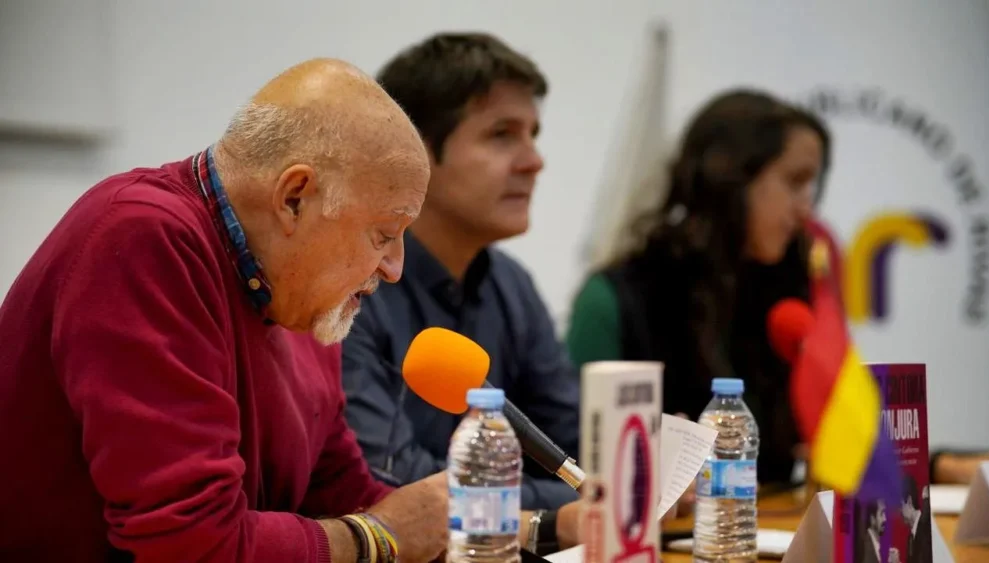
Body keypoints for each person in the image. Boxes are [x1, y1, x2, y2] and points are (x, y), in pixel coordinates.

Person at [0, 58, 581, 562]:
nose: (394, 268)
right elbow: (192, 545)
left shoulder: (299, 297)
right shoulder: (143, 241)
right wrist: (382, 538)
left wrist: (536, 528)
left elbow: (344, 494)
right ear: (295, 198)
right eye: (384, 234)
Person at [341, 32, 581, 514]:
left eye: (532, 135)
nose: (534, 161)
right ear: (418, 151)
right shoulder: (351, 286)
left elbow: (575, 447)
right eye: (502, 134)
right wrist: (572, 502)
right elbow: (393, 484)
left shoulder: (512, 284)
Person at [565, 89, 830, 492]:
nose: (805, 209)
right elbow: (575, 457)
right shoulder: (617, 297)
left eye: (812, 186)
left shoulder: (792, 288)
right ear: (730, 178)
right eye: (795, 182)